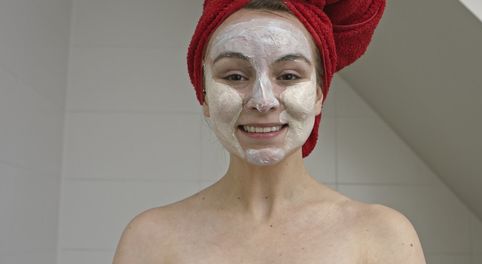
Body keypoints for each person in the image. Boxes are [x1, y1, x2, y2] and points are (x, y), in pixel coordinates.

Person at [113, 0, 427, 263]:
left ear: (318, 95)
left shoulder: (382, 237)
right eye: (235, 77)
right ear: (205, 97)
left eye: (288, 76)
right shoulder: (150, 242)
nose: (263, 101)